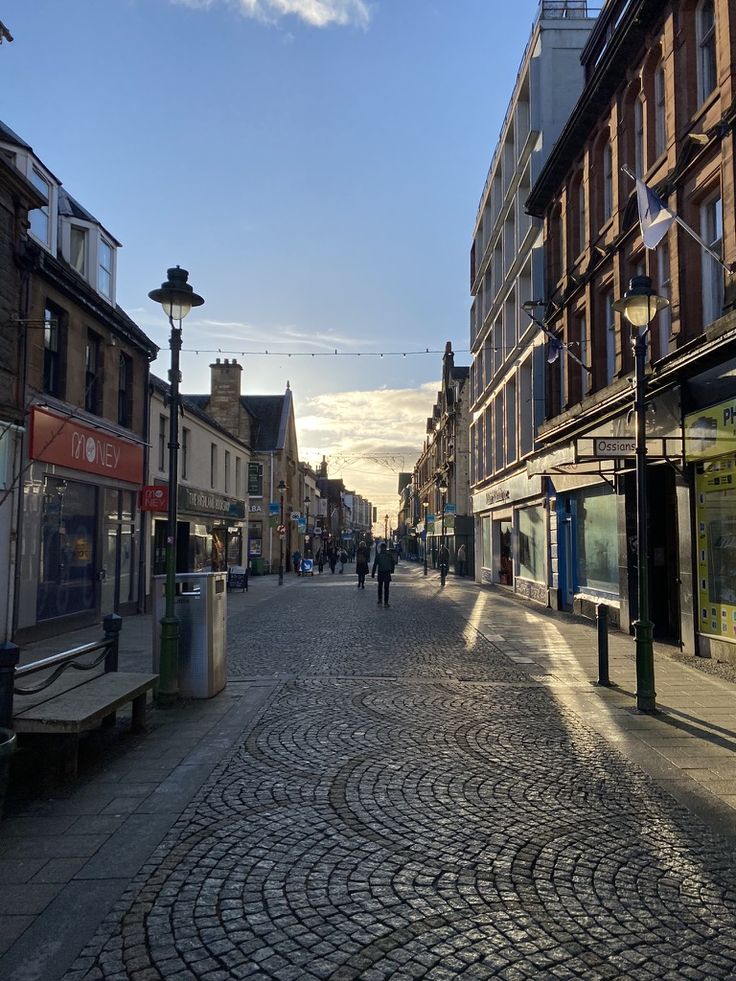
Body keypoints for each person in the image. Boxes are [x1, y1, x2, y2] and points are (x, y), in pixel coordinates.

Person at [372, 542, 395, 607]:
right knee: (386, 588)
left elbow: (375, 565)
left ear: (381, 548)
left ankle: (380, 600)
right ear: (385, 548)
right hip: (387, 573)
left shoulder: (378, 556)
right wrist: (392, 571)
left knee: (380, 587)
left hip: (381, 572)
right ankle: (386, 602)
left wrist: (373, 573)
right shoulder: (389, 555)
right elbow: (393, 563)